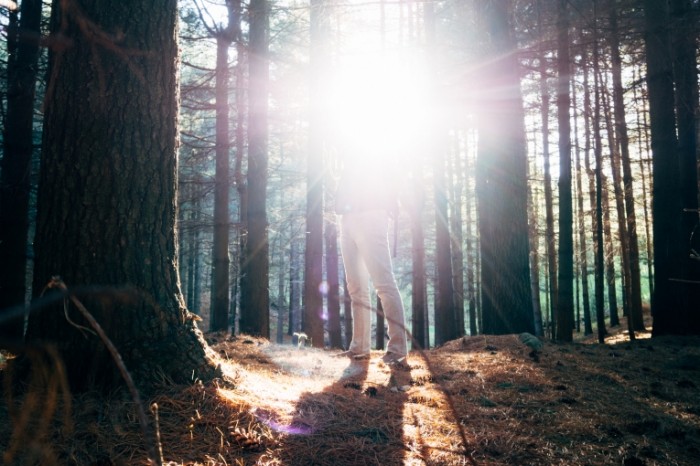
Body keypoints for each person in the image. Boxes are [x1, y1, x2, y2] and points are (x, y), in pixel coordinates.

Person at [334, 141, 409, 366]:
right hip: (347, 217)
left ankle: (397, 348)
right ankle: (359, 347)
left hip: (372, 216)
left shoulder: (379, 144)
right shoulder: (348, 141)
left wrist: (388, 204)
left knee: (383, 284)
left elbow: (395, 174)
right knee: (356, 287)